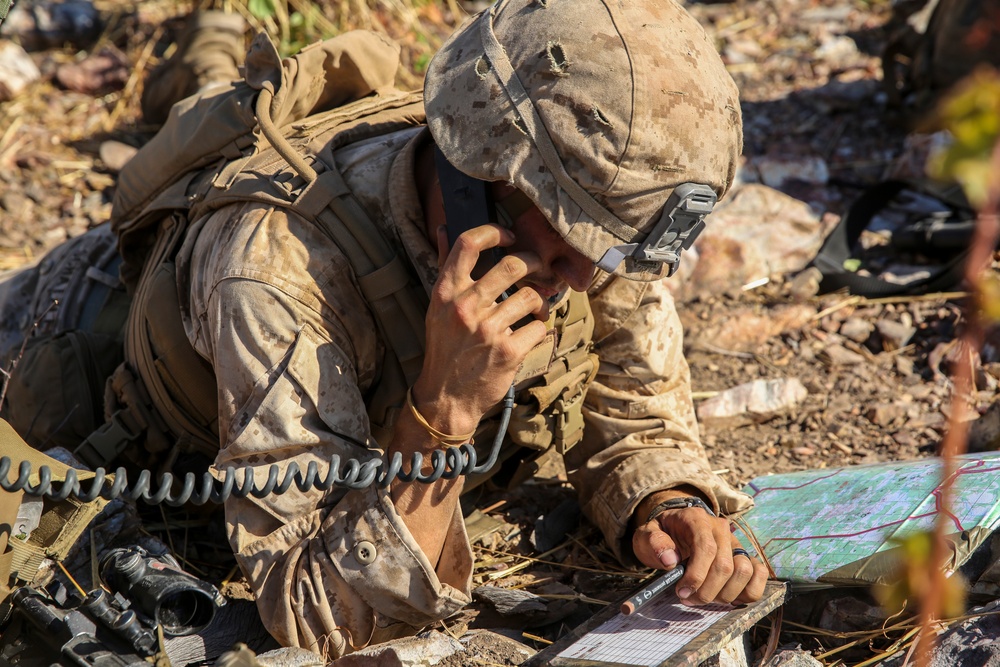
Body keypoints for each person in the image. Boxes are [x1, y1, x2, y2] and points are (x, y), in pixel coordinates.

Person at [0, 0, 768, 658]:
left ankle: (206, 44)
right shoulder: (276, 272)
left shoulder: (590, 221)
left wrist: (667, 503)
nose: (584, 283)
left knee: (207, 89)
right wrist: (442, 416)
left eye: (604, 254)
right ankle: (202, 40)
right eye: (568, 245)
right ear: (479, 182)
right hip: (56, 319)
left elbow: (636, 411)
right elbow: (315, 615)